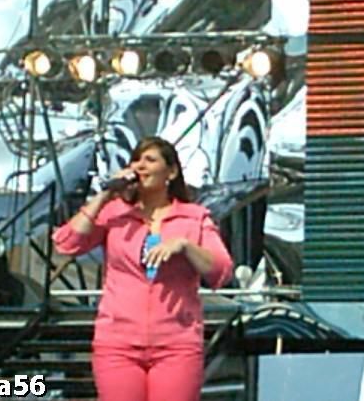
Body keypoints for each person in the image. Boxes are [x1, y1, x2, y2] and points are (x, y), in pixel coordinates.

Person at [52, 136, 233, 401]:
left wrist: (185, 246)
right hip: (118, 343)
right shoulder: (116, 214)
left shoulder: (193, 217)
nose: (140, 166)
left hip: (176, 344)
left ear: (171, 172)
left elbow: (221, 271)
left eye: (150, 160)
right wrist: (105, 195)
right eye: (136, 160)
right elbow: (67, 243)